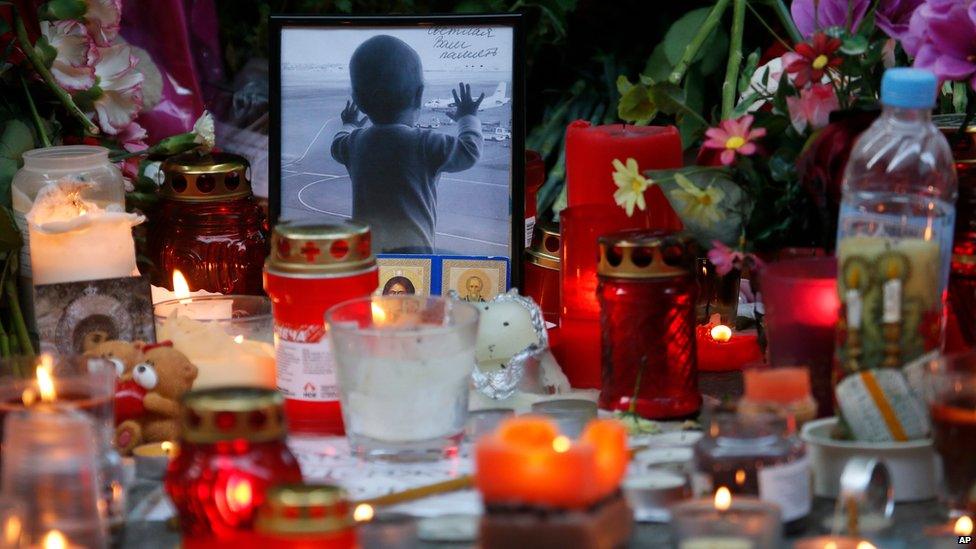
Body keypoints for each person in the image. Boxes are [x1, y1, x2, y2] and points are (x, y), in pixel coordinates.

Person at [331, 35, 485, 254]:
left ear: (358, 101)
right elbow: (469, 151)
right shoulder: (424, 143)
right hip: (414, 255)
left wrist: (348, 124)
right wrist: (467, 117)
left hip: (366, 255)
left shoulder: (354, 143)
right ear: (419, 95)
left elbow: (336, 144)